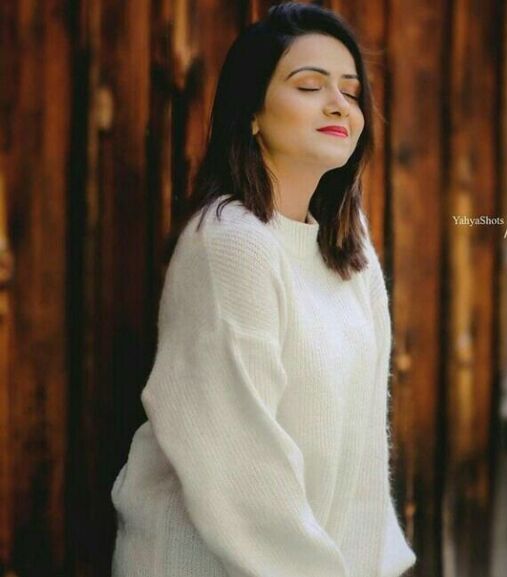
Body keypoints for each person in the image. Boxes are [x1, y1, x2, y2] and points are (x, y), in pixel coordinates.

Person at [110, 3, 417, 576]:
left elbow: (364, 451)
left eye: (351, 92)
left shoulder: (348, 249)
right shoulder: (233, 243)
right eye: (310, 85)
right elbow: (237, 460)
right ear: (251, 112)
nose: (339, 104)